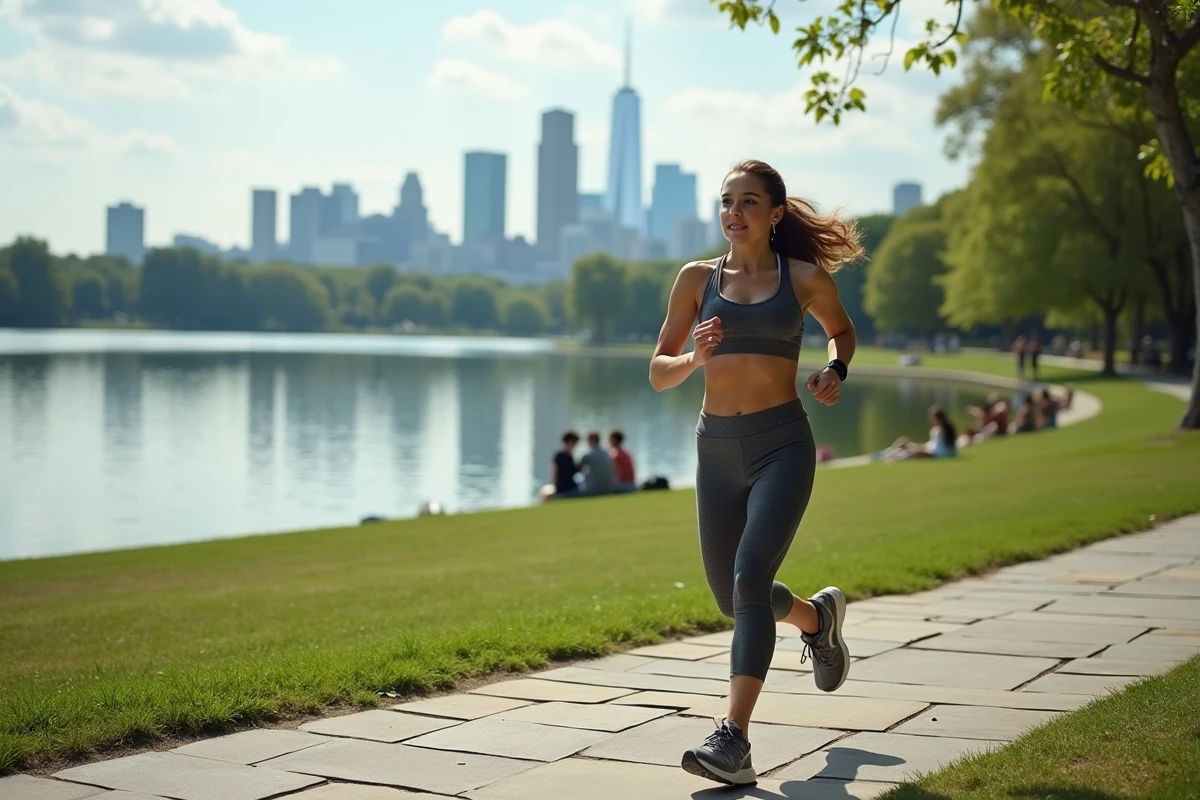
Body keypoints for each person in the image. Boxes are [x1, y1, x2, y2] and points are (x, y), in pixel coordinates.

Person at [650, 159, 859, 786]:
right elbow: (659, 370)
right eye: (725, 201)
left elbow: (842, 333)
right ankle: (817, 620)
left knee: (747, 578)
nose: (733, 212)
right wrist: (695, 356)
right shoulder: (694, 279)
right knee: (732, 598)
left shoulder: (803, 279)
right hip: (715, 448)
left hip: (781, 446)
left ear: (774, 214)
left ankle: (733, 738)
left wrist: (835, 369)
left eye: (747, 202)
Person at [883, 406, 958, 461]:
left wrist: (923, 448)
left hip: (938, 454)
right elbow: (933, 444)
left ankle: (893, 457)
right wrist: (920, 446)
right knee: (905, 442)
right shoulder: (938, 429)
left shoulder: (942, 430)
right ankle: (889, 453)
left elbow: (938, 448)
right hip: (934, 450)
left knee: (913, 452)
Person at [539, 431, 581, 502]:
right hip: (567, 488)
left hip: (562, 487)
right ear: (570, 442)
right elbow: (555, 472)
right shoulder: (565, 456)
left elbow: (554, 472)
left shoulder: (561, 455)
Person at [578, 430, 615, 496]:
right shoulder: (607, 453)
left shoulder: (587, 454)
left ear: (590, 440)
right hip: (608, 488)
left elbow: (578, 469)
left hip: (592, 489)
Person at [609, 428, 637, 493]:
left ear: (614, 440)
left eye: (610, 439)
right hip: (632, 485)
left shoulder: (615, 455)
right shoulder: (627, 454)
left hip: (622, 486)